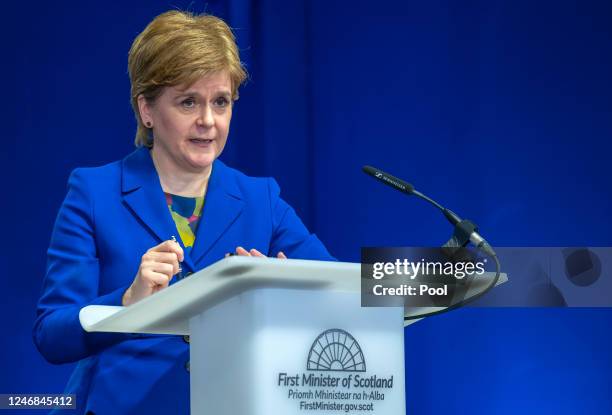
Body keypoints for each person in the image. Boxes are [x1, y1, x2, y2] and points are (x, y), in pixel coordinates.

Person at [33, 10, 333, 415]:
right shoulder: (93, 192)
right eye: (188, 101)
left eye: (221, 102)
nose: (208, 121)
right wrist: (126, 301)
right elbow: (52, 334)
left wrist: (285, 292)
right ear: (147, 110)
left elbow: (342, 287)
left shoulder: (260, 198)